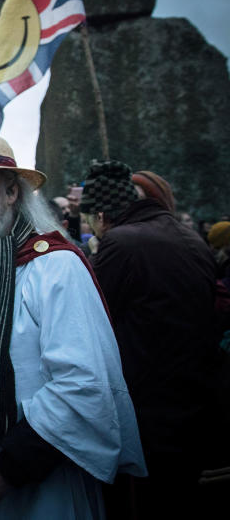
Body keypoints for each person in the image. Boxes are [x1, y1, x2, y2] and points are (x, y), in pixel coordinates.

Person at [0, 134, 145, 519]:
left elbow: (82, 386)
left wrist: (4, 473)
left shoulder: (55, 267)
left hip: (43, 485)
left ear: (12, 192)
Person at [81, 160, 227, 517]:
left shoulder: (120, 242)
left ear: (101, 216)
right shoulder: (191, 238)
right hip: (194, 400)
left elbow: (95, 320)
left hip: (145, 405)